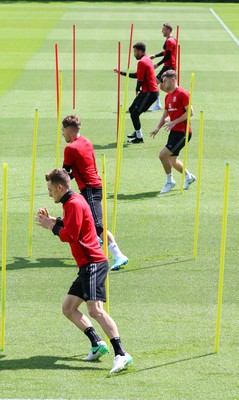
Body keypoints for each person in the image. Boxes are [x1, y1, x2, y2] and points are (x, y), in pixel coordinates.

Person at [36, 168, 133, 374]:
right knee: (68, 307)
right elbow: (73, 226)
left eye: (51, 190)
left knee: (95, 310)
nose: (49, 194)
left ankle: (121, 354)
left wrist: (50, 227)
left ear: (61, 187)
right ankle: (97, 344)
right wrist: (53, 220)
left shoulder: (73, 203)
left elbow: (70, 235)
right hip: (87, 265)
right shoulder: (73, 202)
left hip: (93, 264)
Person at [61, 115, 128, 271]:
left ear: (70, 130)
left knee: (97, 225)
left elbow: (65, 175)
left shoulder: (70, 148)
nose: (62, 134)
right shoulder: (86, 142)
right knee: (88, 220)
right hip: (94, 186)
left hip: (90, 189)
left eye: (63, 130)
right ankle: (97, 243)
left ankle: (118, 255)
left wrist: (54, 180)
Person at [149, 70, 196, 194]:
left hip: (183, 132)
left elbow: (190, 112)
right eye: (162, 81)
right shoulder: (168, 96)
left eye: (165, 81)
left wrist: (174, 122)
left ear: (173, 79)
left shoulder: (183, 93)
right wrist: (158, 127)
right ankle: (189, 177)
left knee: (163, 155)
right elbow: (165, 114)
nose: (163, 84)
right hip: (174, 131)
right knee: (172, 160)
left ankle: (170, 181)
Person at [114, 42, 158, 144]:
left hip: (150, 93)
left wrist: (137, 89)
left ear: (141, 51)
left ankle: (139, 137)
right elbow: (138, 75)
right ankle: (137, 131)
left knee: (134, 114)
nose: (134, 54)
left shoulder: (142, 62)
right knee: (131, 110)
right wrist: (121, 72)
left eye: (135, 52)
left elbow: (140, 79)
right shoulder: (146, 59)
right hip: (146, 92)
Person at [149, 23, 177, 111]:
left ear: (168, 30)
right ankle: (175, 97)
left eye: (164, 30)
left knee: (153, 83)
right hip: (169, 66)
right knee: (162, 86)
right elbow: (166, 52)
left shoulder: (169, 41)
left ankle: (175, 99)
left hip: (168, 67)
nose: (162, 31)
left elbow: (168, 56)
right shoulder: (172, 39)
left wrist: (157, 64)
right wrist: (155, 56)